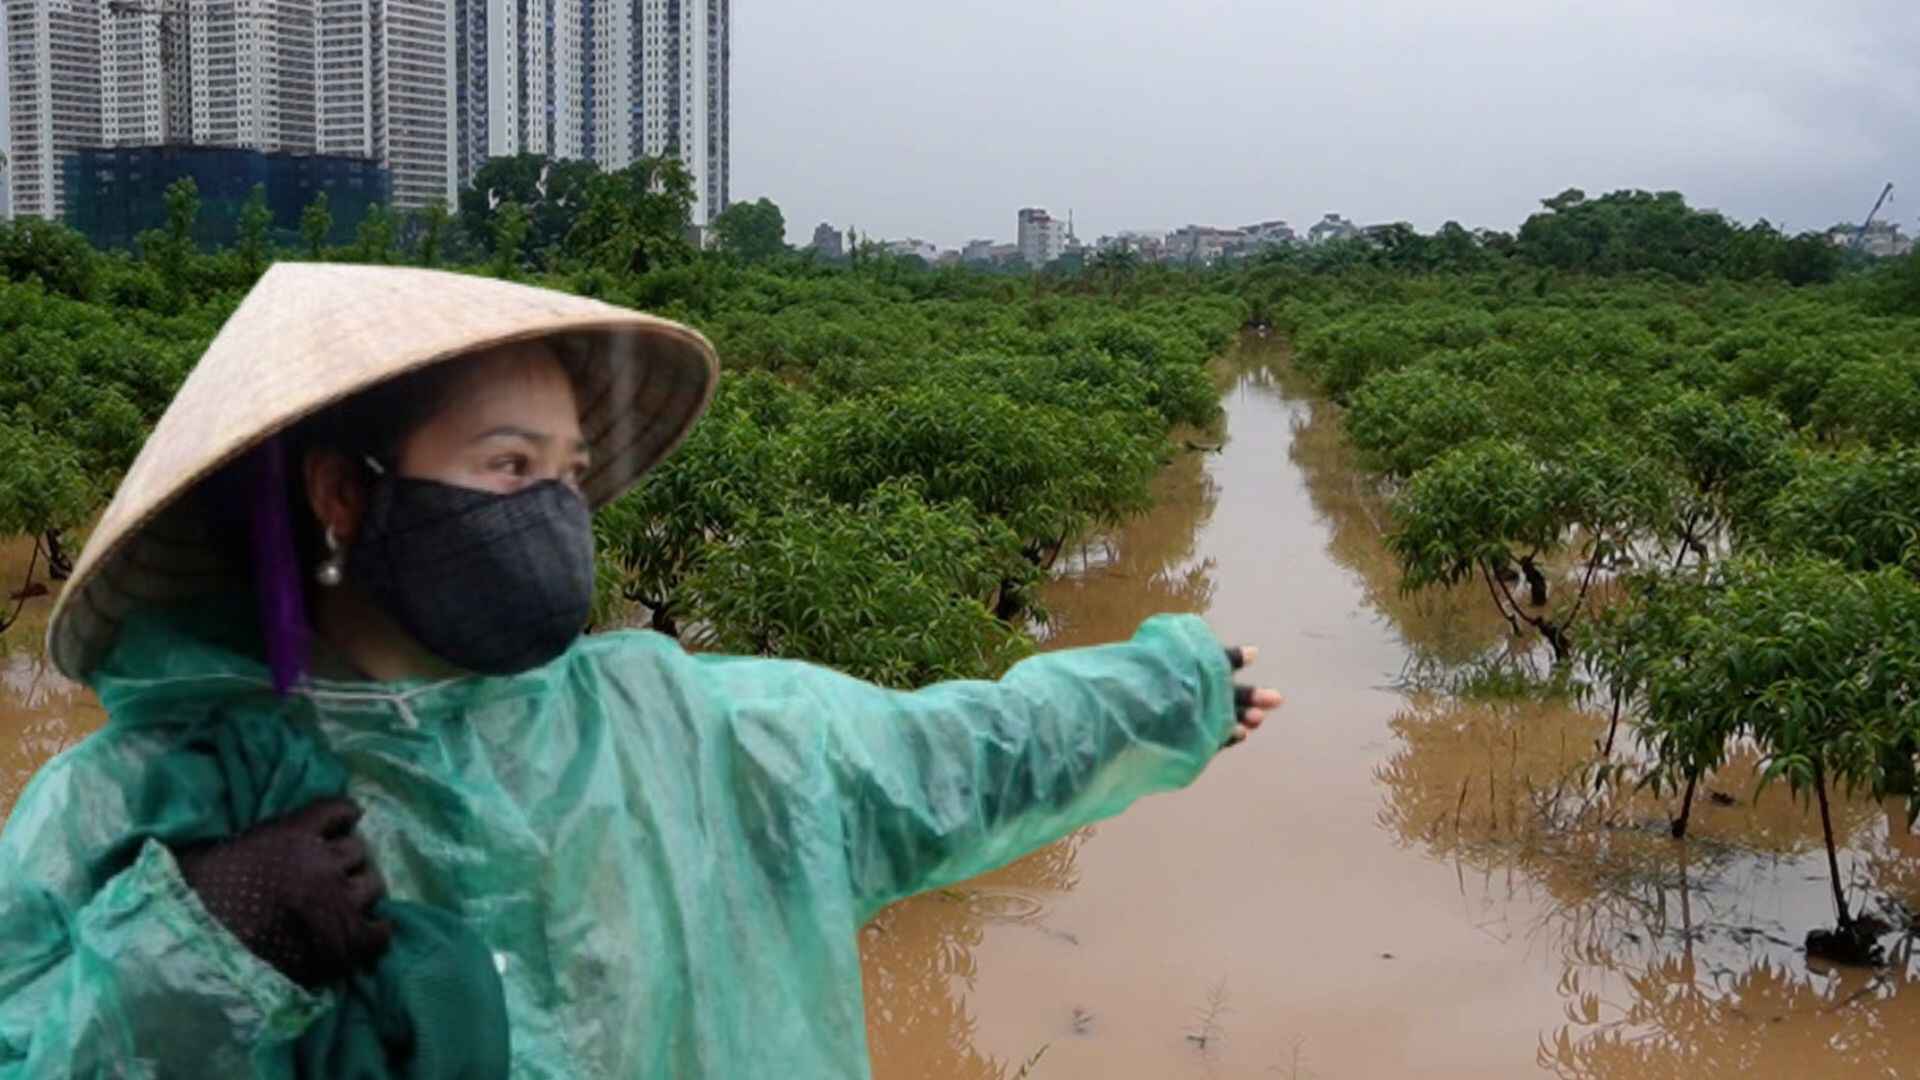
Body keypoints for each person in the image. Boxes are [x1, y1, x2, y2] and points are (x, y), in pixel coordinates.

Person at [0, 264, 1281, 1078]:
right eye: (508, 467)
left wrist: (1174, 693)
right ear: (345, 493)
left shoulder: (682, 724)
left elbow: (951, 755)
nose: (554, 512)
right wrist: (204, 946)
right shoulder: (136, 807)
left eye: (565, 475)